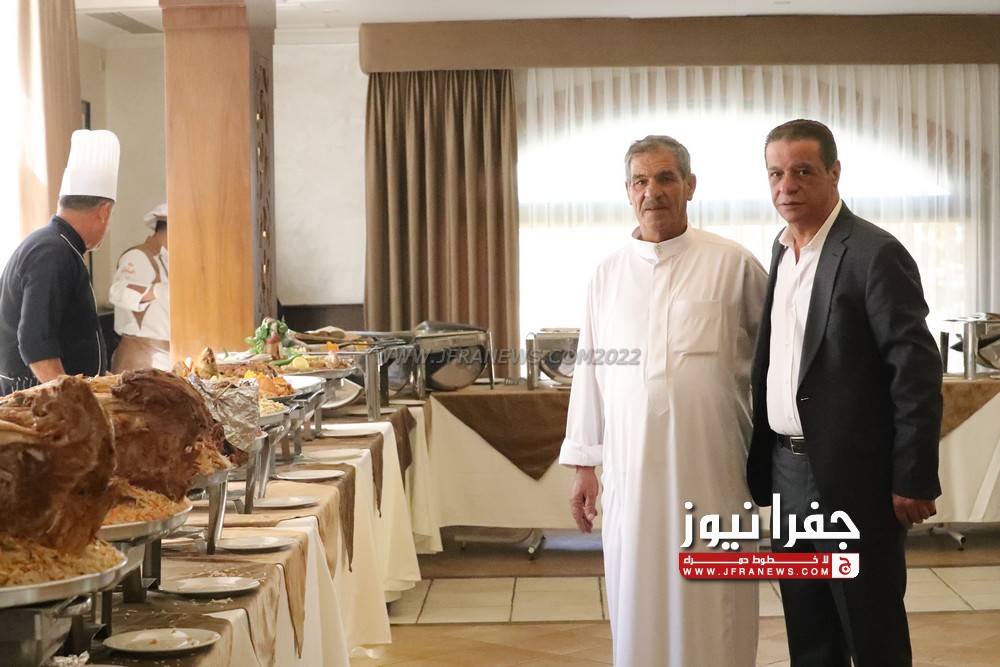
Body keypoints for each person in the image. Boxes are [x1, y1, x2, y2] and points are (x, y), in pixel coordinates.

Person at [561, 135, 768, 665]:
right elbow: (590, 374)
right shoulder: (606, 274)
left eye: (665, 178)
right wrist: (584, 465)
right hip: (632, 476)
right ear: (628, 191)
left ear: (690, 186)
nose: (652, 191)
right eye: (640, 181)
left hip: (715, 472)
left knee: (716, 604)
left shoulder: (733, 265)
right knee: (639, 597)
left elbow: (781, 361)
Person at [746, 119, 942, 666]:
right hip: (787, 471)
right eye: (776, 173)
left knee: (870, 631)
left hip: (858, 480)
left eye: (803, 171)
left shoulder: (874, 254)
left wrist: (913, 476)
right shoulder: (781, 253)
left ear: (834, 173)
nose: (787, 185)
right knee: (809, 632)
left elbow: (915, 374)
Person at [0, 129, 121, 395]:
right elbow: (36, 345)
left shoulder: (56, 245)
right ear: (103, 212)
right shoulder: (52, 252)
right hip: (38, 400)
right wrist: (74, 401)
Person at [109, 203, 170, 371]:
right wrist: (157, 291)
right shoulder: (139, 256)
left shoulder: (170, 258)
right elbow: (119, 291)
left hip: (165, 355)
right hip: (143, 356)